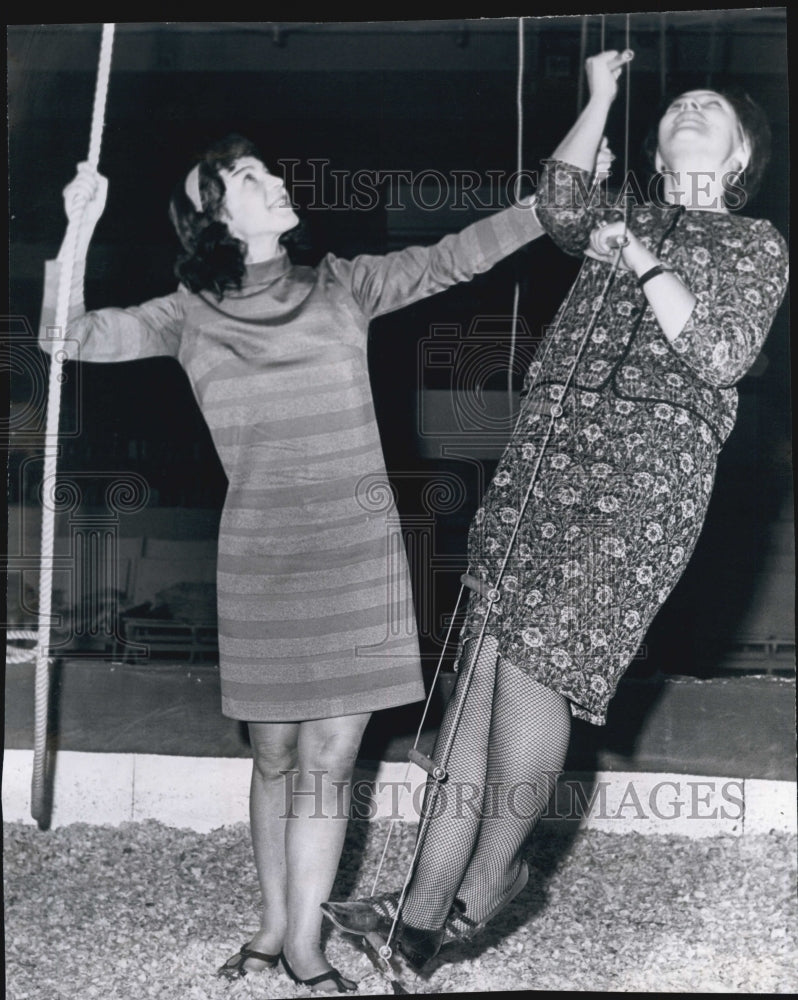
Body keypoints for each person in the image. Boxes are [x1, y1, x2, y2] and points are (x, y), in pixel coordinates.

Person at [38, 130, 555, 992]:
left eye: (270, 170)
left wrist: (545, 208)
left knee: (328, 761)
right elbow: (66, 337)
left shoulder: (342, 283)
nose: (277, 181)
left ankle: (307, 947)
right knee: (275, 754)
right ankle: (274, 927)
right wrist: (77, 229)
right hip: (260, 561)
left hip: (359, 561)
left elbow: (456, 257)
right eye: (250, 177)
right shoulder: (184, 313)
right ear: (213, 215)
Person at [321, 48, 789, 973]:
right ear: (655, 152)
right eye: (677, 105)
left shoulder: (756, 245)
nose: (688, 107)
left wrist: (644, 256)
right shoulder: (622, 212)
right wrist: (601, 96)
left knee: (536, 676)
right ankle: (420, 909)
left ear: (739, 158)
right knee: (477, 690)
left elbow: (722, 350)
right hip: (542, 463)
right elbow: (565, 196)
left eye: (710, 108)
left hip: (639, 491)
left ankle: (485, 882)